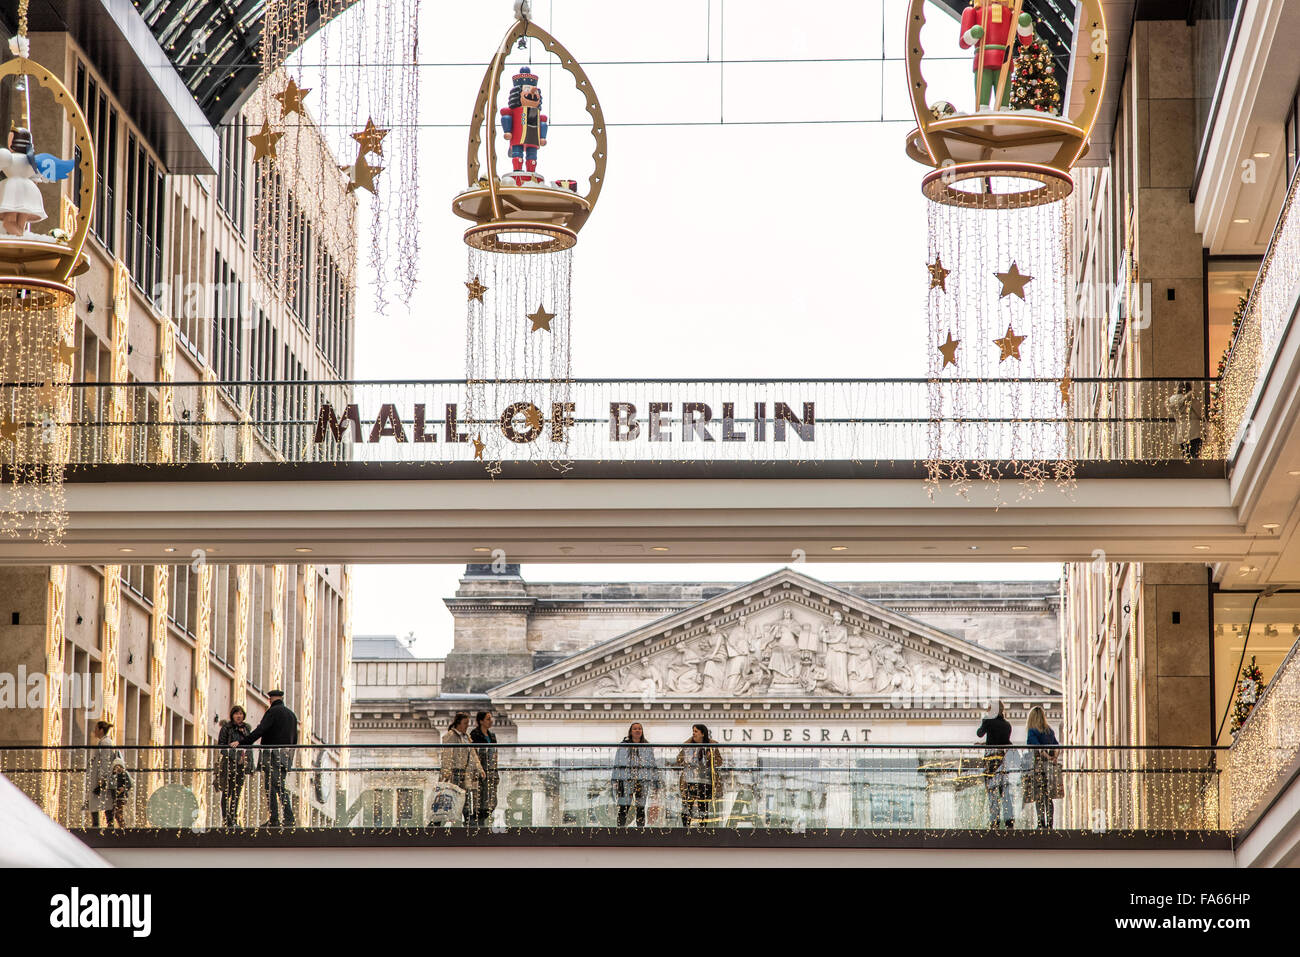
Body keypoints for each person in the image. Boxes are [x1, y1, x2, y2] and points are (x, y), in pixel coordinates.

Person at [231, 690, 299, 827]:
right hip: (286, 755)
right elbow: (295, 738)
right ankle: (278, 818)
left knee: (274, 785)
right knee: (277, 785)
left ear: (270, 700)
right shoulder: (292, 715)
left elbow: (261, 730)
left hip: (272, 754)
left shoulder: (272, 712)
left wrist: (243, 742)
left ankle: (285, 817)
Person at [674, 723, 725, 828]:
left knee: (703, 807)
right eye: (693, 731)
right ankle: (685, 828)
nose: (693, 733)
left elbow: (719, 762)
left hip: (705, 781)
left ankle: (703, 828)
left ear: (702, 733)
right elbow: (679, 760)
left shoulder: (711, 746)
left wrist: (711, 758)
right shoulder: (688, 745)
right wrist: (687, 758)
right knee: (687, 806)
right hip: (689, 780)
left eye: (696, 731)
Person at [612, 723, 661, 827]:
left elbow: (653, 764)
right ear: (631, 731)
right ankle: (620, 830)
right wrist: (615, 779)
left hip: (642, 780)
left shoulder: (647, 746)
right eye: (635, 729)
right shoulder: (623, 745)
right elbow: (617, 763)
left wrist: (656, 781)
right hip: (626, 780)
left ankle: (640, 831)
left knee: (641, 808)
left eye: (639, 729)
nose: (637, 731)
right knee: (624, 807)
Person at [440, 711, 484, 826]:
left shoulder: (466, 737)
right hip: (455, 771)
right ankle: (439, 820)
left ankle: (468, 817)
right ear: (458, 724)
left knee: (464, 795)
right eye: (465, 723)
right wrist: (446, 771)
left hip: (465, 771)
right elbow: (447, 754)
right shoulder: (451, 736)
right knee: (452, 796)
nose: (467, 726)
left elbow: (473, 754)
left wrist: (480, 769)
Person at [977, 700, 1014, 829]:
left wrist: (985, 719)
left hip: (991, 759)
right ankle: (1009, 822)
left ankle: (995, 822)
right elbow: (1003, 741)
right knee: (1004, 791)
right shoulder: (1007, 725)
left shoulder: (988, 721)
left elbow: (979, 733)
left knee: (992, 791)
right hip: (1003, 759)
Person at [216, 705, 253, 827]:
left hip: (242, 766)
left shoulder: (246, 729)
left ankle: (233, 817)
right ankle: (227, 819)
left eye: (241, 713)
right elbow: (222, 746)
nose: (239, 716)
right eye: (236, 713)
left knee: (237, 793)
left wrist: (249, 765)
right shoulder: (227, 728)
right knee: (227, 792)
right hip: (229, 765)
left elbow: (249, 747)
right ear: (232, 715)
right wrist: (236, 757)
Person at [1025, 705, 1060, 829]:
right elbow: (1057, 746)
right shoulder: (1049, 730)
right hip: (1050, 768)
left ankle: (1041, 823)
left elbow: (1037, 748)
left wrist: (1045, 756)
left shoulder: (1032, 731)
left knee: (1039, 796)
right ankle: (1050, 824)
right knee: (1048, 796)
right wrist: (1053, 758)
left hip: (1038, 767)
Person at [85, 719, 120, 828]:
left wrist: (103, 780)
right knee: (102, 803)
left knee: (101, 802)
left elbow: (105, 761)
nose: (94, 731)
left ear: (101, 730)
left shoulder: (105, 743)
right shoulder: (104, 742)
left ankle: (99, 826)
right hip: (100, 779)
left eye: (96, 729)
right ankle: (103, 825)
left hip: (101, 780)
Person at [469, 710, 499, 826]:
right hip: (480, 770)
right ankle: (478, 821)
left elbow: (495, 752)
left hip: (491, 769)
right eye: (488, 719)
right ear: (481, 721)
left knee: (491, 800)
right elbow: (473, 753)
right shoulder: (475, 734)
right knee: (480, 798)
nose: (490, 721)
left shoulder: (492, 735)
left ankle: (482, 819)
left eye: (490, 718)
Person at [1166, 381, 1204, 460]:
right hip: (1194, 429)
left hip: (1181, 430)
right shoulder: (1191, 397)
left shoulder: (1172, 400)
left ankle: (1188, 469)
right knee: (1195, 455)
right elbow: (1199, 412)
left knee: (1186, 454)